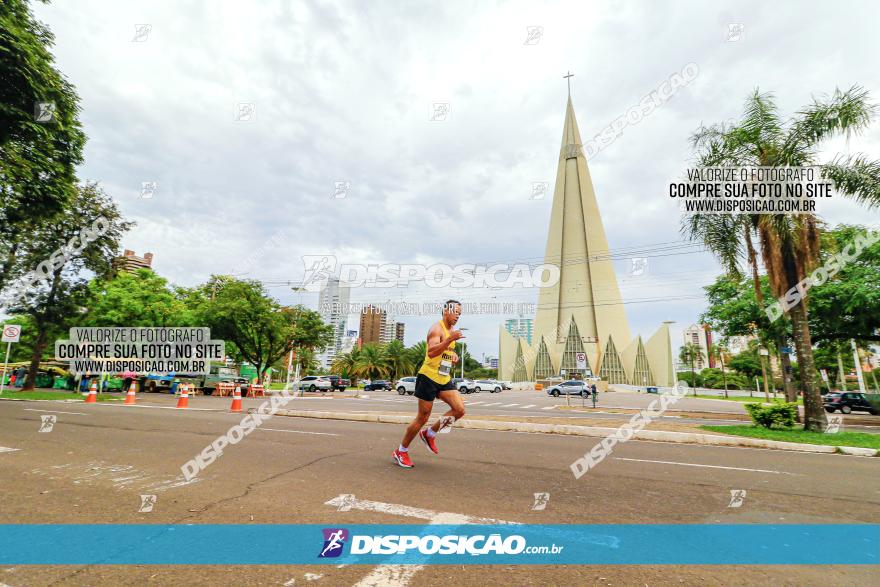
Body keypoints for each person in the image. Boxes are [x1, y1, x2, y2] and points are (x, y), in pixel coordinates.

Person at [392, 300, 466, 468]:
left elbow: (446, 350)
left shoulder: (451, 331)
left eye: (460, 314)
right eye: (456, 312)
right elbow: (432, 352)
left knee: (459, 410)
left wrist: (453, 355)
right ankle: (401, 450)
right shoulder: (436, 329)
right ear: (446, 311)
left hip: (444, 377)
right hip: (428, 377)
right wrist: (449, 341)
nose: (458, 316)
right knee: (422, 417)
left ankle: (430, 433)